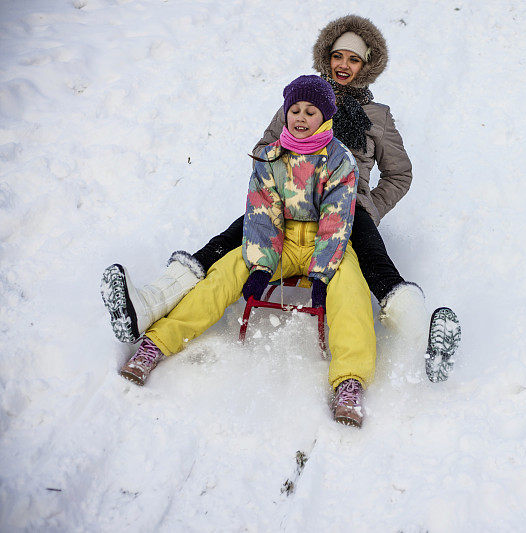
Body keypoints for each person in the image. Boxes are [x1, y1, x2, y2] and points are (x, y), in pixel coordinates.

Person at [101, 15, 430, 352]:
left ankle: (420, 338)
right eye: (338, 56)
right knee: (228, 241)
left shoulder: (378, 117)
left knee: (376, 259)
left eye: (354, 59)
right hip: (288, 202)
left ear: (367, 66)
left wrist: (369, 205)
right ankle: (150, 303)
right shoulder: (302, 99)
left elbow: (399, 174)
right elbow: (263, 149)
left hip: (345, 207)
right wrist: (289, 163)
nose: (344, 65)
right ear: (326, 57)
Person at [117, 75, 376, 427]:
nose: (300, 117)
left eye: (310, 111)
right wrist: (259, 267)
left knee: (351, 291)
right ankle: (157, 343)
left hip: (324, 241)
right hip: (279, 238)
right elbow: (262, 214)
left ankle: (349, 381)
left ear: (326, 117)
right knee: (223, 273)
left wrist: (320, 275)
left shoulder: (339, 160)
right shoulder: (270, 158)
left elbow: (337, 220)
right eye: (295, 110)